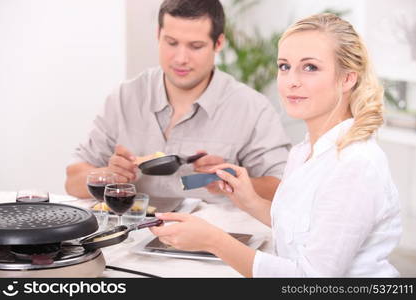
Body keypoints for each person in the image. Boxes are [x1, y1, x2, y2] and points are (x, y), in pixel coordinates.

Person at [150, 13, 402, 277]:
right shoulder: (304, 151)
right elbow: (304, 234)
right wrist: (250, 202)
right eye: (284, 66)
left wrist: (213, 240)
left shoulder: (355, 164)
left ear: (347, 79)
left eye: (310, 67)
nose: (291, 80)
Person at [65, 0, 290, 203]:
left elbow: (284, 189)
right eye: (171, 43)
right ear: (158, 35)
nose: (181, 58)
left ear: (218, 43)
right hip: (131, 236)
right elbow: (72, 181)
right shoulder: (125, 97)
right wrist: (109, 174)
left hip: (216, 241)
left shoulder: (252, 108)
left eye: (195, 46)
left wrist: (230, 182)